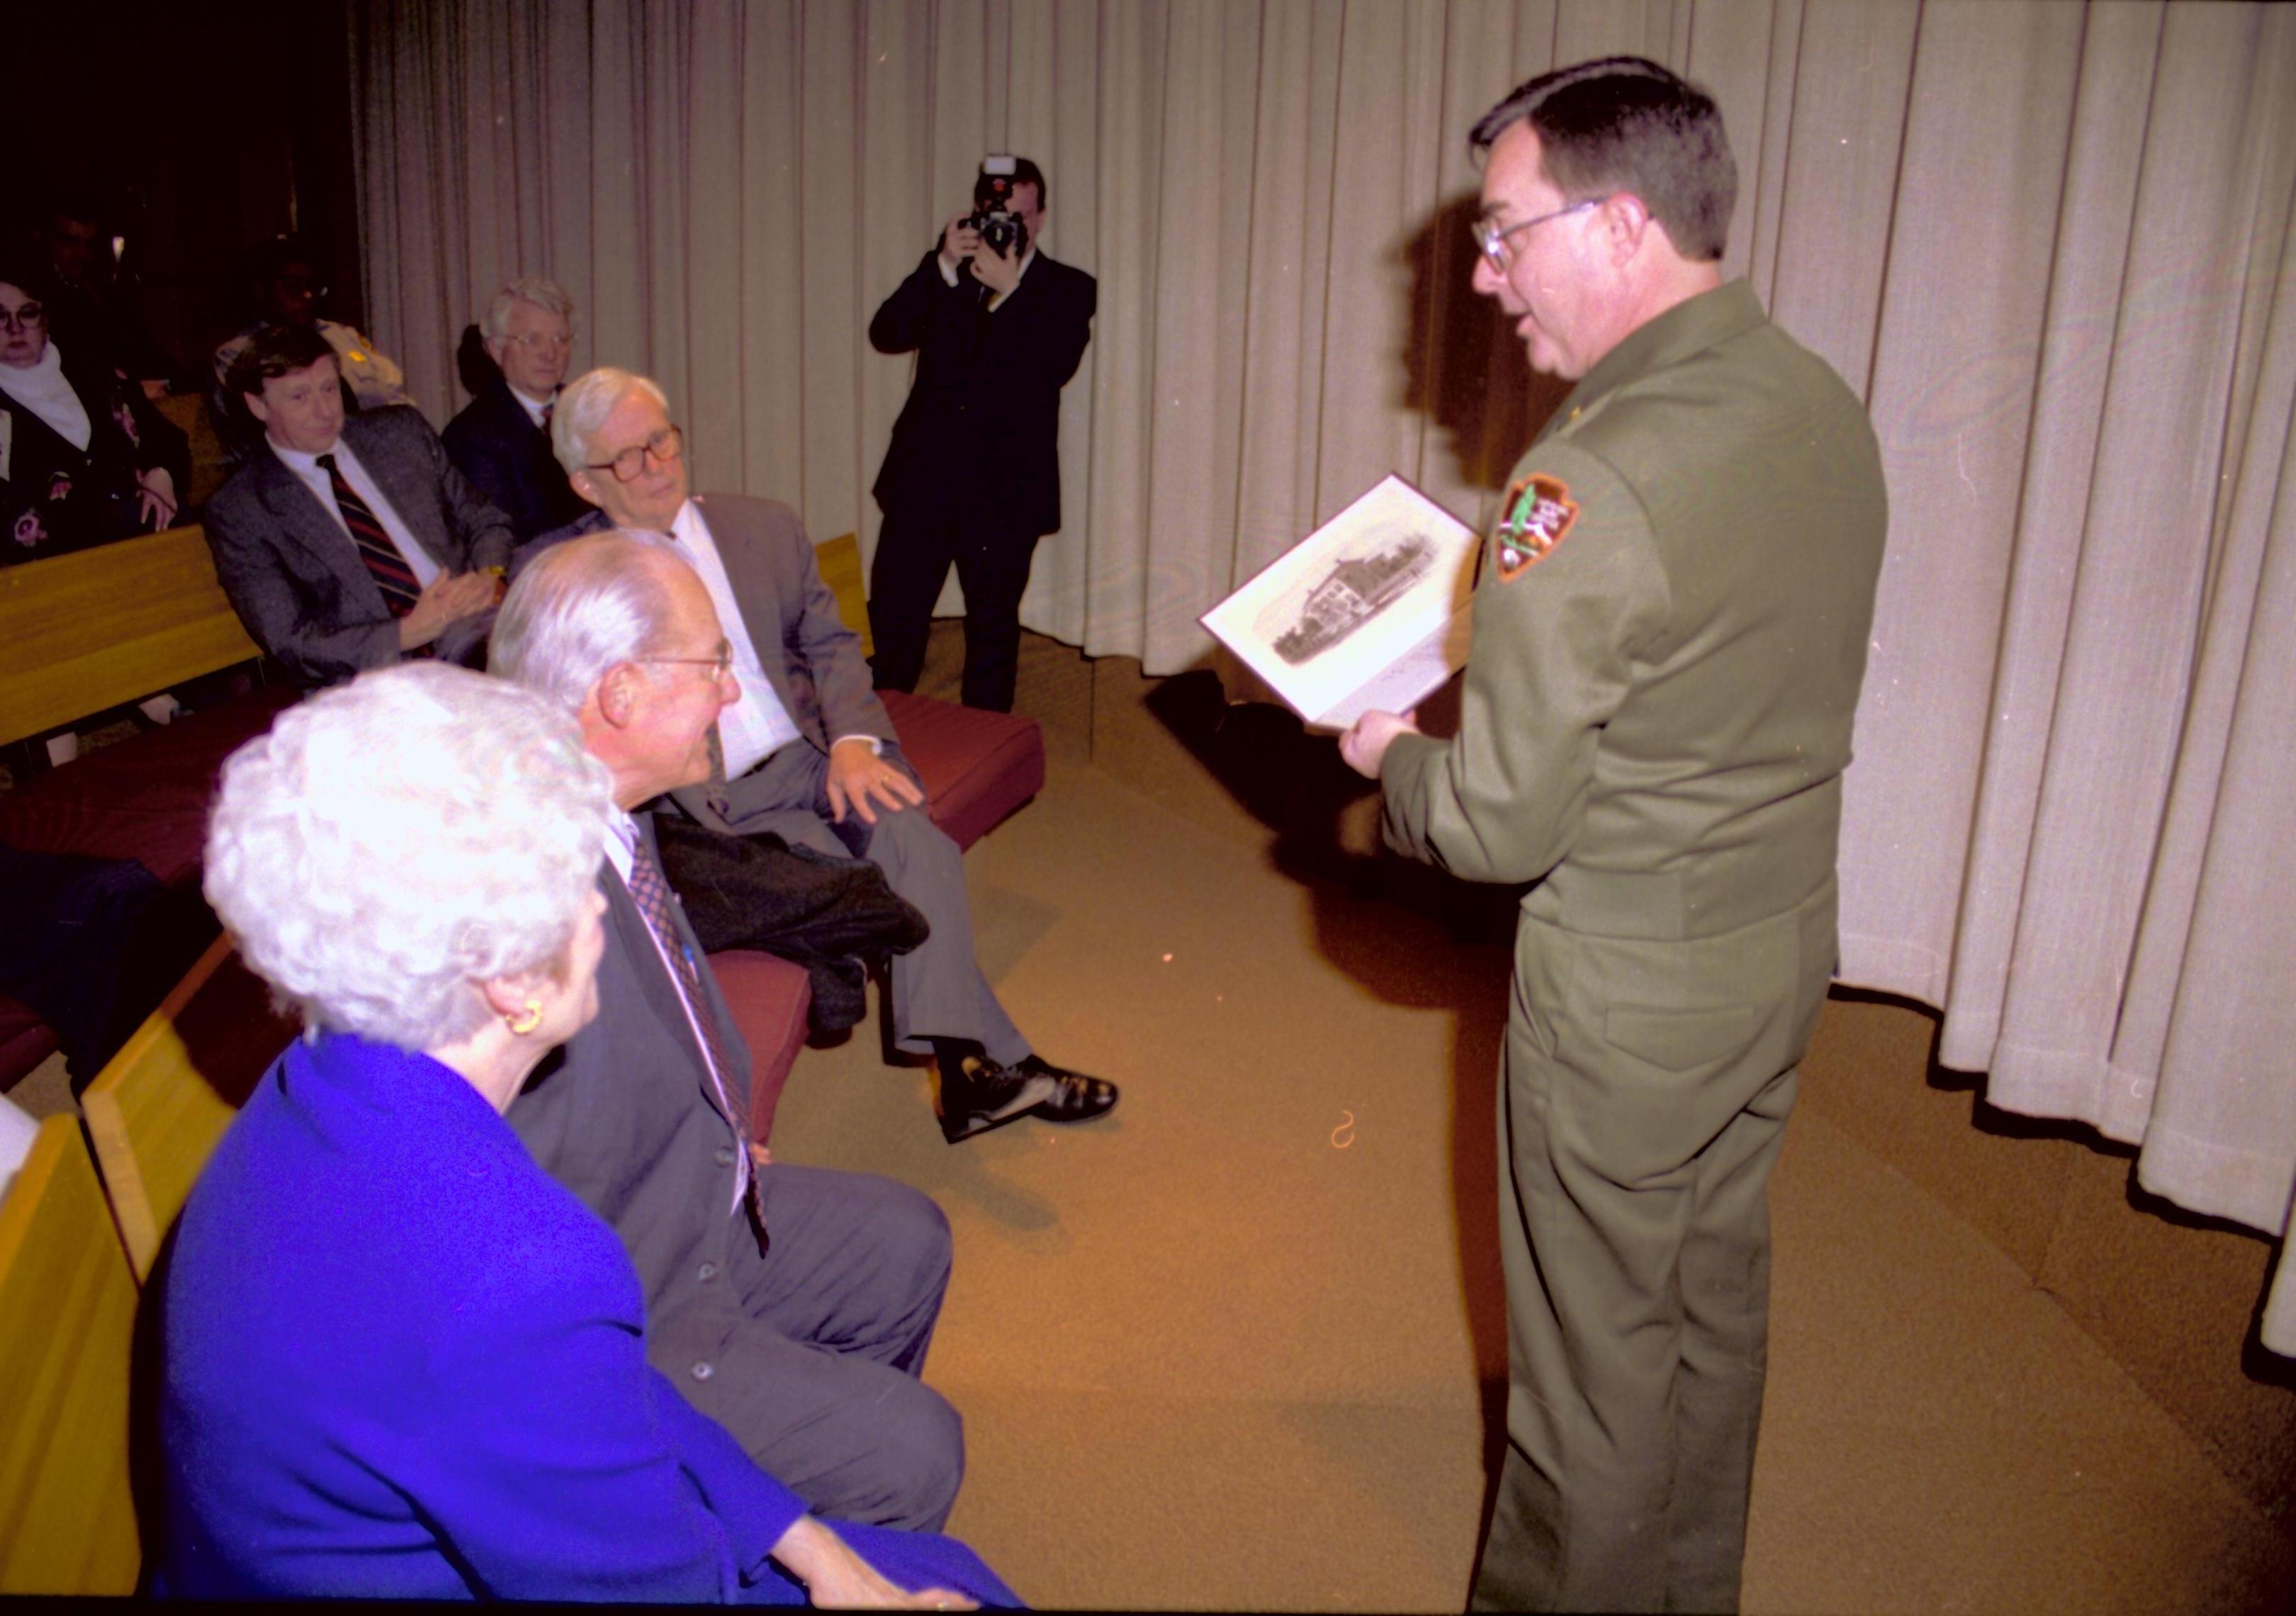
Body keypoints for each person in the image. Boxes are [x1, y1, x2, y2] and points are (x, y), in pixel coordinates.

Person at [1340, 57, 1887, 1612]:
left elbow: (1502, 823)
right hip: (1771, 949)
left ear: (1623, 223)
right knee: (1710, 1323)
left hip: (1627, 996)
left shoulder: (1580, 481)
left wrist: (1391, 757)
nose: (1483, 273)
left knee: (1585, 1391)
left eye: (1508, 232)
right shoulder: (1811, 399)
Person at [162, 661, 1015, 1605]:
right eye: (580, 880)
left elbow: (598, 1389)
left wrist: (805, 1540)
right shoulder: (519, 1265)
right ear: (515, 984)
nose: (607, 902)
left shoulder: (319, 1084)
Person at [493, 534, 968, 1530]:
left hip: (681, 1196)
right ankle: (739, 1518)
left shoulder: (614, 811)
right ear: (619, 694)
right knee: (914, 1452)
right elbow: (521, 1255)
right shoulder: (518, 908)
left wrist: (715, 1141)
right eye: (712, 666)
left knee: (906, 1239)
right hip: (621, 1310)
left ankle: (783, 1468)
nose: (731, 694)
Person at [524, 367, 1118, 1145]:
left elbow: (829, 642)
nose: (657, 466)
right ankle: (986, 1067)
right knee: (862, 886)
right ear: (583, 483)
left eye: (661, 441)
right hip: (707, 806)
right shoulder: (569, 582)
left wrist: (852, 743)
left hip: (806, 757)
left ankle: (968, 1068)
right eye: (627, 460)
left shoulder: (760, 525)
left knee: (911, 834)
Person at [866, 157, 1095, 712]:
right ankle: (876, 747)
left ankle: (983, 757)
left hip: (1005, 497)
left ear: (1039, 217)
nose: (1007, 227)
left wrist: (1013, 293)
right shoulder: (948, 275)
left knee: (992, 633)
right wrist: (943, 263)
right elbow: (887, 331)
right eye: (996, 213)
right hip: (923, 483)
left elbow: (1054, 366)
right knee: (895, 621)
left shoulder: (1066, 289)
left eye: (1020, 215)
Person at [203, 322, 510, 685]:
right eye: (299, 397)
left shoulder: (400, 434)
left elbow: (486, 519)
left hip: (474, 628)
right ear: (257, 405)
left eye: (329, 388)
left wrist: (489, 577)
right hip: (375, 673)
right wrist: (408, 631)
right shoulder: (242, 509)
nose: (324, 411)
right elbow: (291, 641)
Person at [1, 260, 187, 565]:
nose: (15, 328)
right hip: (56, 572)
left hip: (151, 545)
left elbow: (168, 440)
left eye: (28, 313)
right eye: (0, 316)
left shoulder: (95, 372)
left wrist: (161, 473)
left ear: (46, 317)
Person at [441, 276, 589, 541]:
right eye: (532, 340)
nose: (550, 353)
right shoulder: (472, 435)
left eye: (560, 339)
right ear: (496, 350)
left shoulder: (590, 408)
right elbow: (502, 539)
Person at [210, 235, 415, 425]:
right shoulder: (239, 352)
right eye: (294, 287)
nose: (308, 296)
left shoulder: (342, 336)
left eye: (313, 287)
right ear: (261, 291)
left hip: (381, 448)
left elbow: (396, 398)